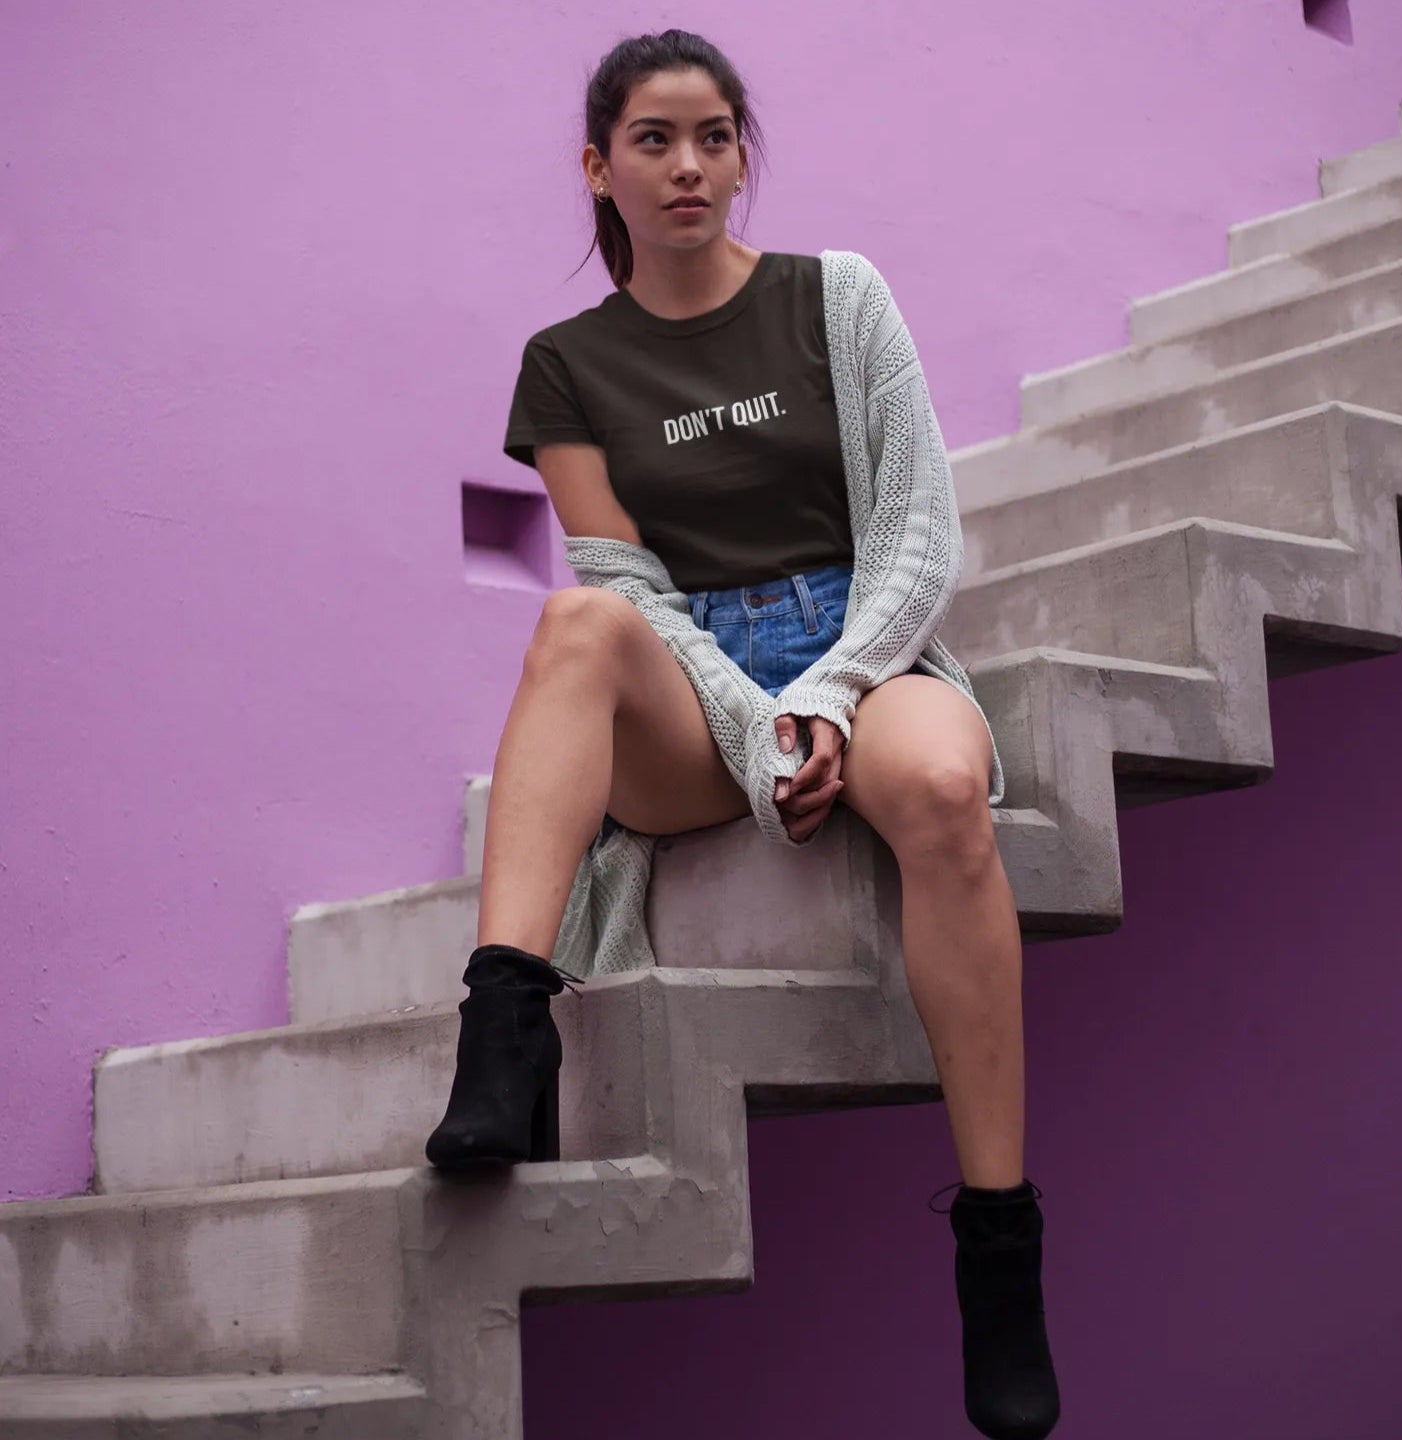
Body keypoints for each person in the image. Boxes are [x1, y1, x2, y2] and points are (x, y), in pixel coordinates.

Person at [424, 29, 1059, 1440]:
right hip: (688, 683)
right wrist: (750, 717)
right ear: (600, 168)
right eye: (654, 139)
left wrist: (827, 693)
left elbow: (917, 532)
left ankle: (1000, 1246)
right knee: (578, 631)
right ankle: (505, 1032)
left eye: (715, 135)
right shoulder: (568, 363)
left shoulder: (837, 298)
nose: (691, 164)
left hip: (861, 642)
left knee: (947, 785)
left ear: (742, 153)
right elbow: (626, 582)